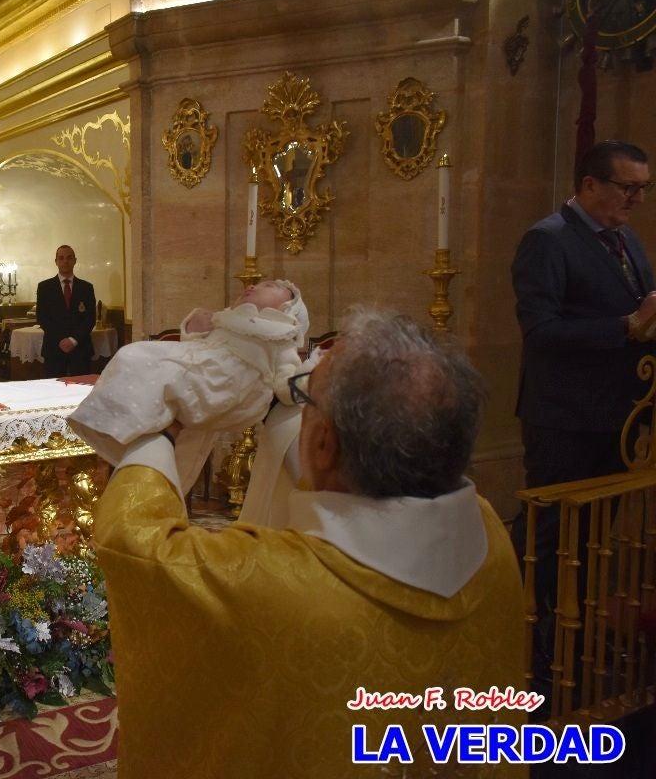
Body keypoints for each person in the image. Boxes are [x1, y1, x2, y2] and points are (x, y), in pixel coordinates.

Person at [93, 308, 525, 778]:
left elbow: (135, 542)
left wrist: (155, 434)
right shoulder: (491, 537)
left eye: (305, 399)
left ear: (325, 445)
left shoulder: (263, 586)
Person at [511, 139, 656, 688]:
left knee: (590, 541)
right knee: (549, 540)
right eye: (628, 187)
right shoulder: (548, 241)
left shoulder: (626, 239)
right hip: (564, 418)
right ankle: (531, 646)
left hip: (616, 419)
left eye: (644, 188)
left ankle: (573, 645)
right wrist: (626, 327)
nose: (637, 198)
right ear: (589, 185)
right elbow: (541, 332)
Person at [67, 279, 308, 495]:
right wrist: (195, 328)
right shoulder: (227, 319)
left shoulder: (280, 335)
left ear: (288, 308)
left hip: (229, 385)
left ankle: (135, 427)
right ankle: (127, 431)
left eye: (269, 286)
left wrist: (306, 385)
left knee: (143, 359)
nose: (254, 286)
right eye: (256, 284)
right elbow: (198, 346)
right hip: (202, 369)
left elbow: (287, 381)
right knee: (132, 355)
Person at [35, 244, 96, 378]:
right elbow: (43, 318)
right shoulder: (44, 287)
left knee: (81, 390)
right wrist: (61, 340)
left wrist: (73, 340)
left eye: (69, 257)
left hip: (80, 348)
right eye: (61, 258)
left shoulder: (86, 287)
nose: (65, 261)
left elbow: (90, 318)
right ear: (56, 262)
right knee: (54, 392)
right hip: (54, 348)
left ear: (75, 260)